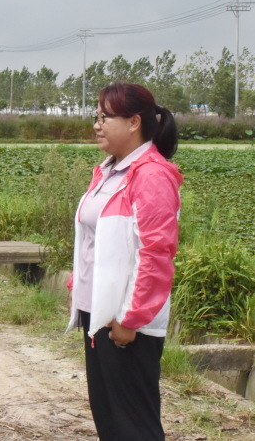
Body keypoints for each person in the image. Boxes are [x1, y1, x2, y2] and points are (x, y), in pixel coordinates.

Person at [66, 82, 183, 440]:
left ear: (134, 122)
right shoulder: (109, 171)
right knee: (110, 420)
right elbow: (95, 240)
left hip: (127, 322)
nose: (96, 125)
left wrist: (132, 318)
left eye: (105, 117)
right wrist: (78, 286)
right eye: (96, 117)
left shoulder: (151, 175)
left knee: (134, 425)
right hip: (98, 313)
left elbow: (155, 253)